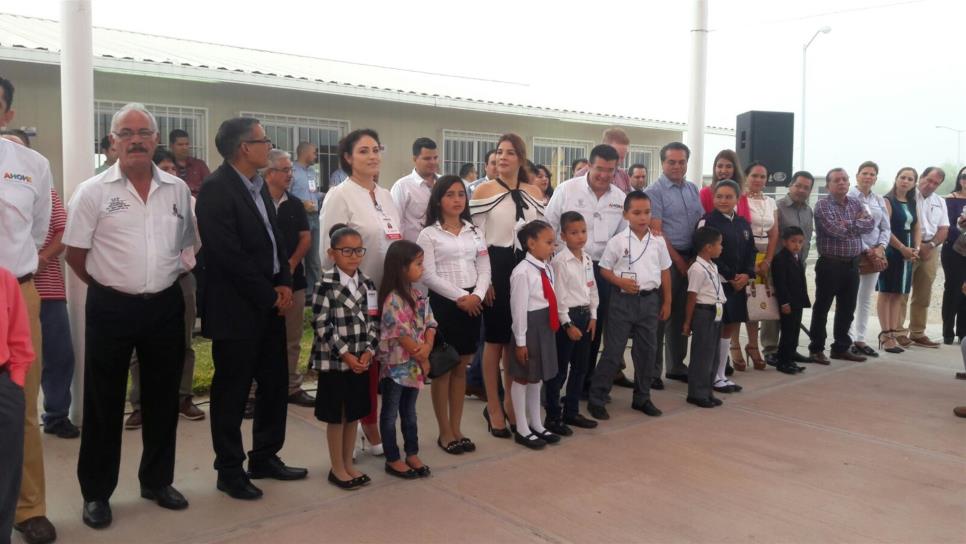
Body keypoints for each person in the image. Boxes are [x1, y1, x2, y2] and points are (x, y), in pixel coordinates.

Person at [64, 103, 195, 528]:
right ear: (113, 141)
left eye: (144, 132)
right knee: (104, 403)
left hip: (164, 305)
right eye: (126, 132)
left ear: (155, 140)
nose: (136, 139)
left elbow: (190, 244)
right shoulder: (93, 191)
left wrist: (167, 273)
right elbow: (76, 256)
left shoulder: (177, 190)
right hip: (111, 306)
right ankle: (97, 493)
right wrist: (110, 284)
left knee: (162, 399)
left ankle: (157, 481)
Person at [196, 116, 306, 502]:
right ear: (244, 147)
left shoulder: (258, 187)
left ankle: (265, 457)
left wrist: (285, 282)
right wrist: (268, 293)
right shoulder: (215, 189)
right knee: (232, 392)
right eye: (264, 140)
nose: (268, 145)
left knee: (274, 385)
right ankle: (229, 469)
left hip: (269, 304)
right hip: (236, 309)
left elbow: (274, 241)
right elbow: (227, 254)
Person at [319, 128, 401, 455]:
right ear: (349, 157)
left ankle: (370, 423)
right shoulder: (341, 195)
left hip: (387, 293)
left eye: (375, 150)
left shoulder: (386, 195)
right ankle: (362, 427)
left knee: (379, 364)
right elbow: (329, 249)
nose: (372, 156)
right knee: (357, 367)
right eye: (363, 151)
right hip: (353, 297)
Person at [0, 74, 56, 544]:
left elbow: (37, 234)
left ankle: (28, 506)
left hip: (14, 296)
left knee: (19, 405)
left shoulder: (31, 164)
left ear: (7, 115)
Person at [469, 134, 545, 438]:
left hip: (526, 267)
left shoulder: (533, 191)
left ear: (521, 158)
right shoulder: (483, 191)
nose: (503, 157)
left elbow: (540, 233)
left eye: (510, 152)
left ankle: (512, 405)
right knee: (495, 340)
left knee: (517, 340)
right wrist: (482, 280)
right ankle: (494, 406)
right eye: (499, 152)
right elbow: (476, 241)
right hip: (496, 267)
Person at [126, 148, 205, 429]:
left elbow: (195, 241)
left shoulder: (188, 199)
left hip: (180, 280)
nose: (171, 173)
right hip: (140, 283)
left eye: (174, 169)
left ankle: (183, 397)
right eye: (165, 168)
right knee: (139, 348)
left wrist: (180, 263)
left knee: (183, 343)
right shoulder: (134, 200)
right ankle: (140, 404)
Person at [543, 145, 627, 392]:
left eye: (610, 170)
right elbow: (548, 224)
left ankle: (583, 384)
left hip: (600, 270)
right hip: (566, 267)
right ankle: (553, 388)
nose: (604, 175)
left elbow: (622, 237)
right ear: (589, 165)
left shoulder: (619, 198)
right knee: (562, 324)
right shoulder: (567, 189)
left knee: (593, 327)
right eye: (599, 168)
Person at [417, 175, 489, 455]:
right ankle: (444, 432)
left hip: (473, 303)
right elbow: (428, 275)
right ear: (438, 200)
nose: (457, 199)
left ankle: (457, 428)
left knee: (461, 368)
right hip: (446, 305)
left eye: (461, 194)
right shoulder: (429, 234)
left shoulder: (475, 231)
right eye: (450, 194)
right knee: (444, 369)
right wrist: (461, 297)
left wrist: (477, 296)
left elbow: (484, 268)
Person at [587, 191, 671, 420]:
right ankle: (597, 397)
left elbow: (665, 271)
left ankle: (642, 397)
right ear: (626, 215)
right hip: (622, 301)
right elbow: (604, 269)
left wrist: (667, 301)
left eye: (646, 212)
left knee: (647, 351)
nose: (642, 217)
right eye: (636, 213)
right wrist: (619, 281)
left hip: (649, 301)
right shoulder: (617, 242)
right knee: (613, 352)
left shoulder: (658, 241)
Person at [311, 224, 377, 490]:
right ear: (332, 253)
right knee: (336, 415)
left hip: (361, 360)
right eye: (346, 250)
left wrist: (369, 351)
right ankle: (337, 467)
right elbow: (321, 324)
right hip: (335, 361)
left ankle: (349, 464)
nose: (353, 256)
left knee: (353, 413)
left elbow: (373, 320)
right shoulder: (325, 284)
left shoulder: (367, 283)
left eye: (358, 250)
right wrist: (346, 354)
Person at [645, 142, 704, 384]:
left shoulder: (692, 189)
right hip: (666, 261)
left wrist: (696, 258)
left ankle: (676, 365)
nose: (677, 166)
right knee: (661, 315)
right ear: (662, 163)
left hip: (691, 258)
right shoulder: (654, 192)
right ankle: (652, 371)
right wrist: (679, 261)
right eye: (672, 162)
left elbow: (700, 222)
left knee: (681, 315)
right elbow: (657, 231)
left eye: (682, 162)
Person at [378, 240, 435, 477]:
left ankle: (412, 452)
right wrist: (422, 356)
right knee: (390, 412)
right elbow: (400, 333)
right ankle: (392, 457)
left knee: (410, 411)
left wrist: (428, 347)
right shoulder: (392, 299)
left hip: (414, 364)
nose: (422, 268)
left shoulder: (417, 294)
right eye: (418, 264)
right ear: (402, 267)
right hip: (396, 366)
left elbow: (431, 322)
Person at [809, 168, 875, 363]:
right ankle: (816, 349)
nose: (842, 183)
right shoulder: (822, 205)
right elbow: (835, 230)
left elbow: (870, 224)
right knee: (822, 308)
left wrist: (848, 223)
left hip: (852, 265)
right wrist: (854, 224)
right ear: (829, 185)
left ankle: (841, 348)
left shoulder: (856, 202)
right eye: (836, 180)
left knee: (847, 308)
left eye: (845, 179)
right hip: (830, 264)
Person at [263, 149, 313, 406]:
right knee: (259, 339)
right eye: (285, 170)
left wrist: (290, 266)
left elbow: (306, 237)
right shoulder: (255, 201)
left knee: (292, 338)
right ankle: (253, 392)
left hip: (294, 280)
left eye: (291, 171)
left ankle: (292, 387)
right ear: (269, 173)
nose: (290, 175)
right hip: (262, 283)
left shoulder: (294, 203)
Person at [545, 212, 599, 435]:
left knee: (581, 367)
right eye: (574, 233)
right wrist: (568, 324)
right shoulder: (560, 262)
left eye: (583, 231)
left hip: (586, 317)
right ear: (563, 235)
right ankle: (552, 415)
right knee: (559, 370)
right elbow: (559, 296)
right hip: (568, 318)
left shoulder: (586, 258)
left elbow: (592, 287)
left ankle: (572, 410)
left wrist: (594, 315)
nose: (580, 236)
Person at [508, 220, 561, 449]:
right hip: (529, 327)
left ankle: (536, 424)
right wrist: (520, 341)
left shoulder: (546, 266)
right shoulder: (522, 272)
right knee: (522, 376)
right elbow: (518, 310)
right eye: (548, 242)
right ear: (531, 244)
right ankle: (521, 427)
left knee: (536, 376)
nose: (553, 247)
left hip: (544, 325)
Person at [696, 180, 752, 393]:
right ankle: (710, 376)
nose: (723, 200)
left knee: (729, 327)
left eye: (729, 196)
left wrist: (747, 274)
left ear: (737, 199)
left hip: (738, 284)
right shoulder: (707, 221)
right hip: (717, 284)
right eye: (719, 196)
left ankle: (720, 374)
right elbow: (704, 251)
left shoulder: (743, 223)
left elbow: (751, 250)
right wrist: (730, 276)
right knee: (714, 329)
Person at [761, 171, 815, 361]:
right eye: (798, 185)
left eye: (806, 187)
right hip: (778, 267)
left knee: (794, 308)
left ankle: (788, 348)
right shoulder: (778, 207)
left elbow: (806, 240)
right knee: (775, 307)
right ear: (790, 185)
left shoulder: (809, 211)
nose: (801, 190)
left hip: (798, 266)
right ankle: (770, 349)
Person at [896, 167, 949, 348]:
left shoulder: (940, 201)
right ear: (922, 178)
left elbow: (944, 228)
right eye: (928, 180)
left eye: (936, 183)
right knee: (901, 291)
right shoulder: (908, 197)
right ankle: (897, 332)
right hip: (909, 247)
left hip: (930, 249)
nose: (930, 185)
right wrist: (916, 247)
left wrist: (931, 245)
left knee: (923, 293)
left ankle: (918, 332)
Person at [733, 161, 779, 371]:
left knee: (757, 301)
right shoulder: (739, 200)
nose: (758, 180)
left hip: (763, 257)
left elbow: (774, 233)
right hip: (742, 255)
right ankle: (734, 345)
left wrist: (767, 260)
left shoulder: (771, 202)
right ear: (746, 176)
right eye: (754, 176)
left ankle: (753, 345)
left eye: (762, 176)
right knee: (738, 302)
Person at [0, 266, 35, 543]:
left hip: (4, 387)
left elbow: (19, 337)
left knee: (6, 479)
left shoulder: (4, 279)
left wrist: (16, 382)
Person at [847, 161, 891, 358]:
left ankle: (861, 338)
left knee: (865, 299)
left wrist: (881, 247)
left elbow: (886, 227)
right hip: (855, 252)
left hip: (875, 253)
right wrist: (867, 250)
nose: (868, 177)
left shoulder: (879, 199)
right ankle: (847, 339)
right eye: (864, 173)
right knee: (849, 298)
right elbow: (849, 228)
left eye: (872, 174)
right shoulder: (848, 198)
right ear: (857, 175)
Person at [682, 226, 727, 406]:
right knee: (702, 354)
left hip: (716, 312)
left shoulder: (712, 266)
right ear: (708, 247)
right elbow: (692, 296)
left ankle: (707, 390)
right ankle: (696, 393)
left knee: (713, 354)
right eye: (719, 244)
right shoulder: (697, 268)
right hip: (703, 313)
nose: (721, 248)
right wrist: (687, 322)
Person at [877, 168, 921, 353]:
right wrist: (902, 249)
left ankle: (893, 333)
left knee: (898, 294)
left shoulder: (912, 202)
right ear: (896, 179)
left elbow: (917, 226)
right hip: (893, 250)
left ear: (914, 183)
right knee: (886, 292)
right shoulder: (887, 201)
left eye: (910, 179)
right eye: (902, 177)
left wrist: (915, 249)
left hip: (909, 251)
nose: (905, 181)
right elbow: (885, 229)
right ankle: (885, 335)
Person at [771, 227, 811, 375]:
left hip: (797, 301)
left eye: (800, 242)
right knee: (787, 332)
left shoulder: (797, 257)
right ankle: (783, 361)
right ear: (784, 242)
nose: (797, 245)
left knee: (794, 331)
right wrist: (784, 303)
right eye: (793, 241)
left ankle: (791, 356)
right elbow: (780, 284)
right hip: (788, 302)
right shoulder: (780, 259)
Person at [391, 137, 440, 243]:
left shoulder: (444, 182)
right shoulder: (402, 186)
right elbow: (395, 222)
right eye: (427, 158)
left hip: (443, 249)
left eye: (435, 158)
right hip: (415, 250)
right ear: (414, 159)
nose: (433, 162)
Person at [290, 142, 323, 299]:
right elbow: (284, 194)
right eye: (314, 153)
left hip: (314, 217)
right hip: (299, 218)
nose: (316, 156)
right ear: (305, 153)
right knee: (299, 255)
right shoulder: (292, 171)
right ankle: (297, 290)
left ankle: (313, 293)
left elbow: (314, 193)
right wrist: (301, 204)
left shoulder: (311, 172)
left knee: (314, 258)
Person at [942, 166, 966, 344]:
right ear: (959, 178)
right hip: (953, 250)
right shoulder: (949, 200)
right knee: (953, 288)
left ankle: (963, 332)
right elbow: (945, 226)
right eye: (964, 176)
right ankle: (948, 331)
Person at [575, 128, 632, 193]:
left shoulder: (623, 175)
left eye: (622, 158)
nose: (618, 162)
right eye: (616, 157)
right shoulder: (580, 176)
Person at [700, 149, 749, 219]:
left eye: (728, 166)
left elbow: (747, 221)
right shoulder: (705, 193)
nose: (723, 170)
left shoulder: (742, 193)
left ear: (735, 169)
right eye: (720, 166)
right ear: (715, 168)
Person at [169, 128, 211, 196]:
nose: (185, 147)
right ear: (171, 145)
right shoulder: (167, 166)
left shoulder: (199, 165)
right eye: (180, 144)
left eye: (187, 144)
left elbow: (210, 187)